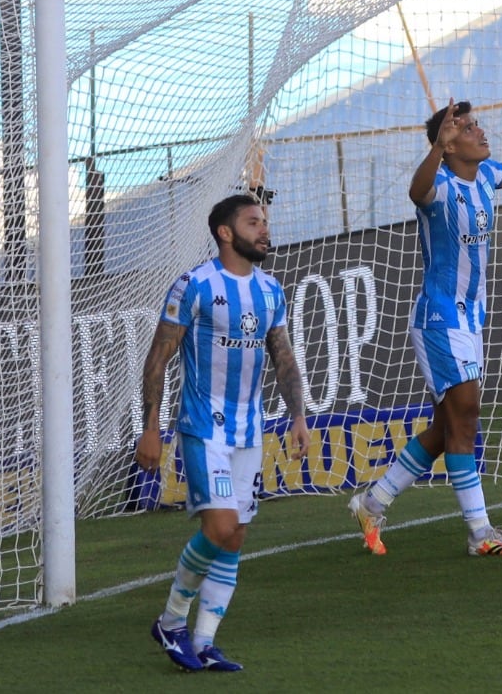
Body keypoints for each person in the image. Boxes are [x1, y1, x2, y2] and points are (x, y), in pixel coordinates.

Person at [349, 77, 502, 557]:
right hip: (439, 318)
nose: (480, 131)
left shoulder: (483, 177)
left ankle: (372, 503)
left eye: (476, 123)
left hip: (469, 319)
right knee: (467, 416)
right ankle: (480, 533)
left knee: (448, 427)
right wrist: (435, 150)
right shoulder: (437, 185)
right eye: (468, 127)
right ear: (449, 143)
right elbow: (415, 191)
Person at [136, 192, 311, 672]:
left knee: (235, 538)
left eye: (265, 221)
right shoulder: (193, 285)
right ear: (226, 233)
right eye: (254, 222)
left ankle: (205, 641)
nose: (264, 229)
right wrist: (150, 427)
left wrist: (298, 416)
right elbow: (158, 358)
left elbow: (284, 358)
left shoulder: (271, 290)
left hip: (249, 432)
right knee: (220, 527)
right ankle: (171, 623)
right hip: (203, 428)